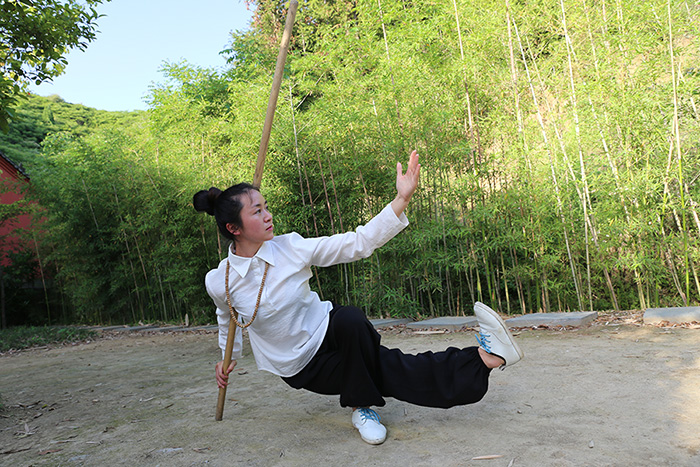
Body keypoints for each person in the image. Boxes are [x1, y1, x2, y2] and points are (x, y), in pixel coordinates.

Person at [193, 151, 523, 445]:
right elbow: (228, 318)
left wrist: (402, 199)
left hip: (329, 328)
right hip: (300, 363)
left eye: (266, 207)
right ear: (234, 228)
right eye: (257, 211)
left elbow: (358, 242)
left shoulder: (290, 247)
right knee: (389, 369)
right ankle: (481, 360)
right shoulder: (220, 281)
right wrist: (227, 357)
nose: (268, 215)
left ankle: (366, 401)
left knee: (350, 317)